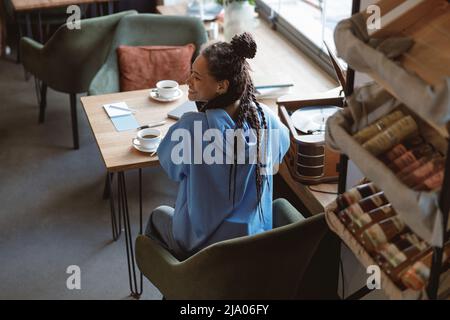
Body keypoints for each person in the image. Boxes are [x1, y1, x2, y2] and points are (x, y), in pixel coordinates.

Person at [145, 32, 290, 260]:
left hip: (201, 249)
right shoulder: (266, 120)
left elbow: (171, 167)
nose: (188, 81)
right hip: (253, 243)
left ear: (221, 86)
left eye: (196, 77)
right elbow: (280, 150)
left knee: (157, 217)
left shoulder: (189, 129)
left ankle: (180, 283)